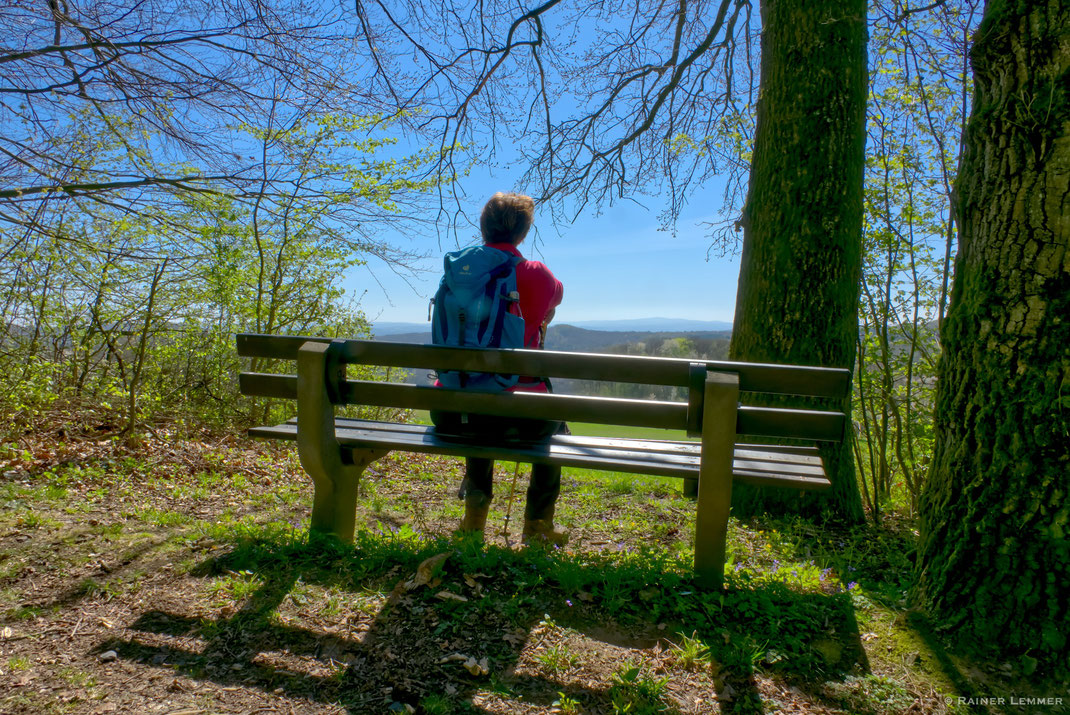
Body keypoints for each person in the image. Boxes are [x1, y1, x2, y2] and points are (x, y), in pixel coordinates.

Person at [431, 192, 567, 545]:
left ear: (483, 227)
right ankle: (538, 526)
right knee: (558, 426)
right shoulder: (535, 273)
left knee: (478, 400)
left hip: (451, 413)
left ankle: (474, 519)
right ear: (523, 232)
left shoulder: (457, 271)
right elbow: (557, 296)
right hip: (520, 417)